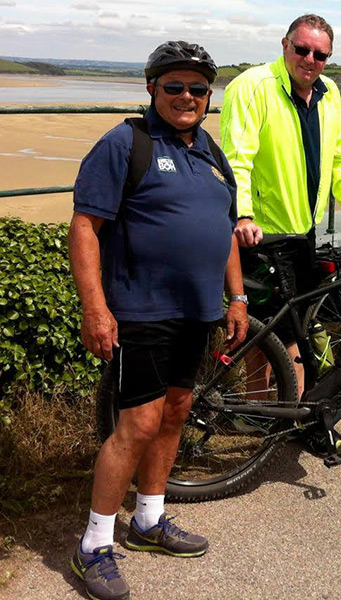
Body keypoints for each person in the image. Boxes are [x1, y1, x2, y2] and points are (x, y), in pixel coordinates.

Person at [68, 41, 247, 600]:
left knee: (175, 415)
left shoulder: (211, 152)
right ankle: (93, 544)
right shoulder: (126, 144)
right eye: (175, 86)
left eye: (198, 88)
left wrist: (236, 298)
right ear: (152, 89)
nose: (188, 96)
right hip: (142, 310)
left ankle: (148, 520)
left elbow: (223, 231)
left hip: (199, 310)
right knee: (138, 425)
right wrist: (95, 308)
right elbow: (84, 228)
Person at [220, 14, 341, 397]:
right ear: (284, 45)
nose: (310, 60)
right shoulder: (252, 87)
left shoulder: (329, 93)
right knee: (266, 330)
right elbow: (237, 159)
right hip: (260, 232)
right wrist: (242, 214)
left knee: (289, 326)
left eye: (320, 55)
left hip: (303, 231)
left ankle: (275, 410)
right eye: (302, 49)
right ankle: (263, 408)